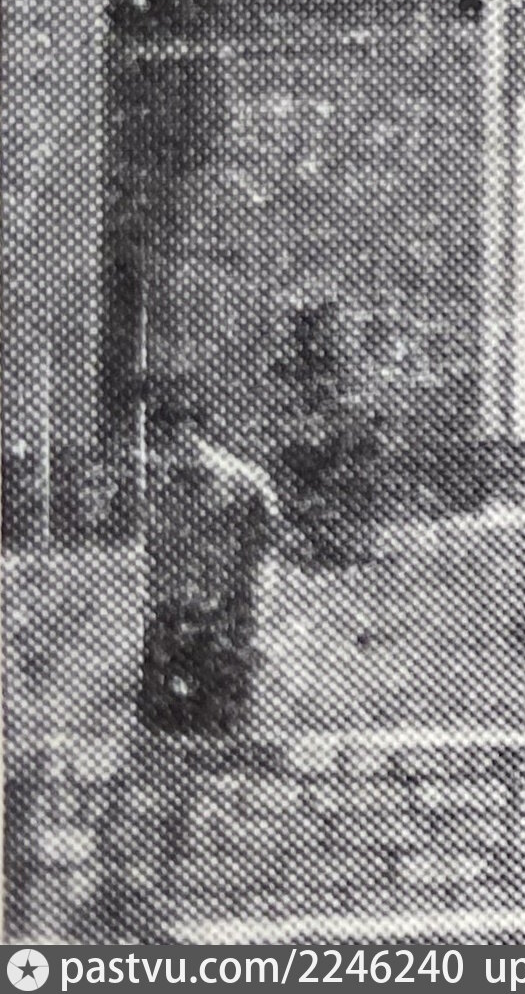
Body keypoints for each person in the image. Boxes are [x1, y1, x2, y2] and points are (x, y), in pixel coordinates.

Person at [110, 383, 280, 937]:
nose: (169, 445)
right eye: (161, 436)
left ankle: (210, 896)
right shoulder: (154, 485)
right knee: (161, 760)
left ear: (196, 429)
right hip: (168, 638)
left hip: (220, 637)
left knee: (215, 762)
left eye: (176, 432)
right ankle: (158, 896)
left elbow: (261, 563)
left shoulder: (243, 484)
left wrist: (253, 633)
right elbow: (141, 566)